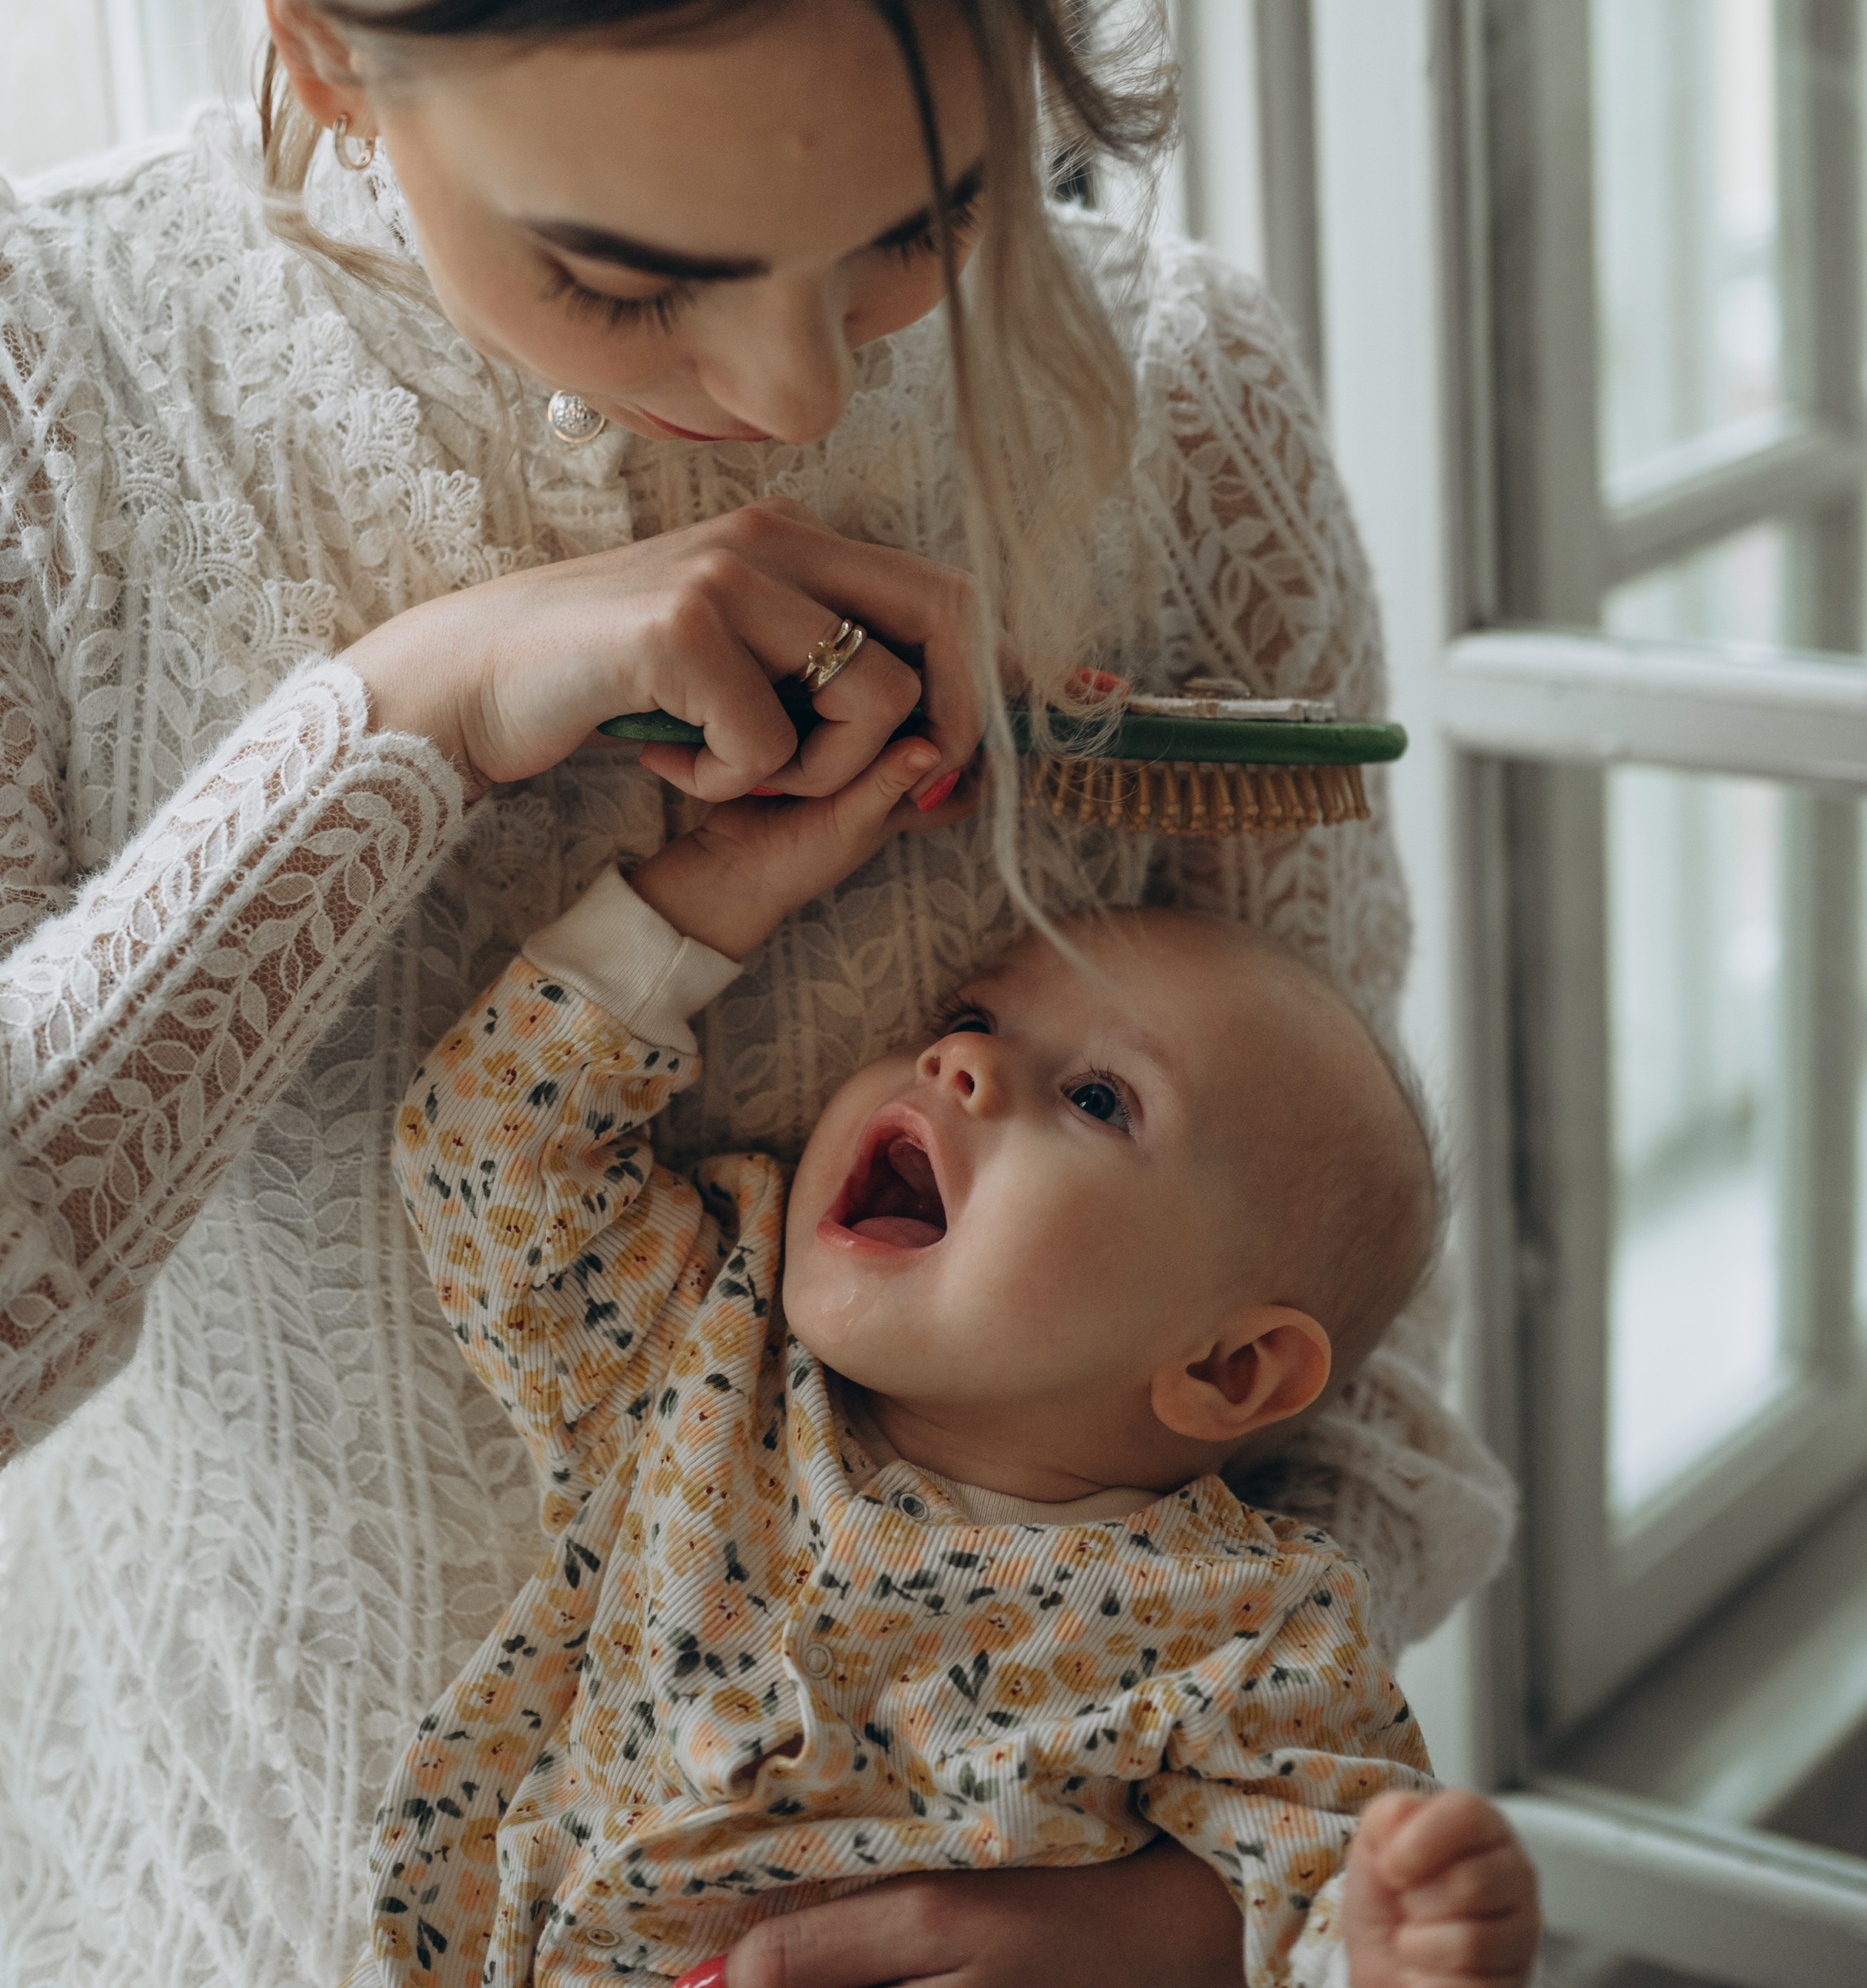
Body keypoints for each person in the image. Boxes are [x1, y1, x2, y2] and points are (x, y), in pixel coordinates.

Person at [0, 0, 1512, 1988]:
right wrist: (398, 717)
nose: (798, 391)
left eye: (934, 222)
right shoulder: (48, 404)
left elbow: (1332, 1342)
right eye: (630, 268)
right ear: (318, 36)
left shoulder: (1177, 392)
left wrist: (1177, 1912)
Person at [345, 736, 1541, 1988]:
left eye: (1096, 1098)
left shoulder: (1248, 1626)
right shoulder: (716, 1354)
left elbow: (1320, 1884)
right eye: (969, 1019)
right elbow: (491, 1146)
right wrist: (727, 879)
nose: (954, 1061)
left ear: (1230, 1371)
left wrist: (1396, 1942)